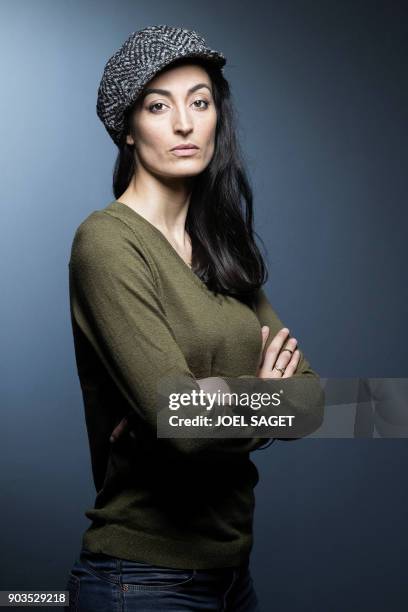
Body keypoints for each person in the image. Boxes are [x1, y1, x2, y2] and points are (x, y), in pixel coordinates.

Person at [64, 25, 324, 611]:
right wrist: (259, 395)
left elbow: (313, 404)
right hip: (141, 579)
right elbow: (178, 419)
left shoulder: (221, 248)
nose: (184, 123)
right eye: (159, 105)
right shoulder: (107, 243)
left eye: (200, 101)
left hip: (233, 577)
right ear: (128, 129)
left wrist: (208, 405)